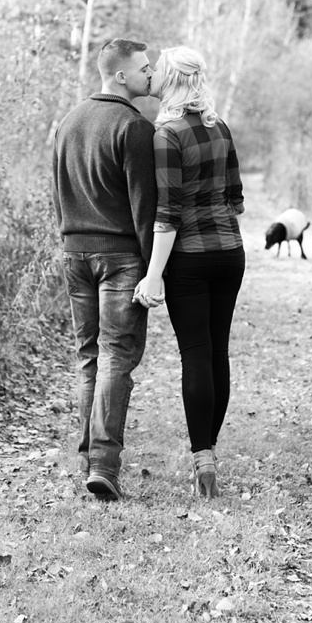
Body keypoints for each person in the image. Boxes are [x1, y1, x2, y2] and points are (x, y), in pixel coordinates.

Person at [133, 46, 245, 499]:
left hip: (191, 260)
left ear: (173, 79)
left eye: (157, 68)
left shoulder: (167, 135)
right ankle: (208, 455)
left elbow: (167, 213)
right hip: (230, 253)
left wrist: (153, 273)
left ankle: (204, 460)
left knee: (195, 354)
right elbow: (236, 199)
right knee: (218, 352)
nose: (152, 73)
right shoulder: (221, 128)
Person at [52, 37, 157, 502]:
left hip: (74, 252)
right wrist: (157, 271)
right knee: (117, 356)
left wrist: (69, 238)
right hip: (120, 258)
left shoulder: (69, 120)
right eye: (144, 68)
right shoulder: (134, 127)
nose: (151, 74)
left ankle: (89, 457)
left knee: (89, 356)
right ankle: (105, 466)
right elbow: (144, 209)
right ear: (120, 75)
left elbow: (56, 191)